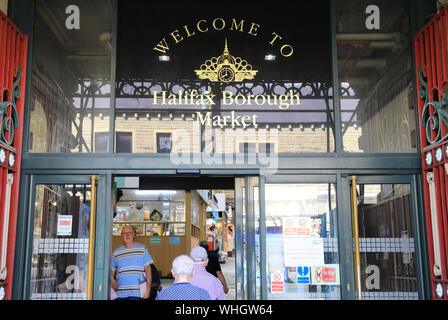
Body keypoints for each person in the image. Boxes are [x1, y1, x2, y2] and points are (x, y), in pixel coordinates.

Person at [111, 225, 152, 300]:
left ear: (133, 234)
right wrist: (113, 282)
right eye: (124, 233)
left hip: (137, 293)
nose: (127, 235)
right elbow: (111, 272)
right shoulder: (116, 252)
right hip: (120, 293)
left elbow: (148, 270)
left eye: (130, 232)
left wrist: (148, 289)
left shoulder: (142, 248)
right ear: (121, 236)